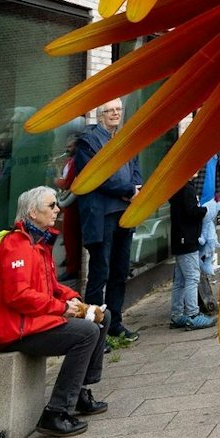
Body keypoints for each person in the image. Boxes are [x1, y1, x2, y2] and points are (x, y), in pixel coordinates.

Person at [0, 187, 109, 437]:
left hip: (31, 321)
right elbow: (18, 296)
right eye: (51, 206)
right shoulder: (17, 245)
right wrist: (61, 309)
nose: (57, 210)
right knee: (87, 332)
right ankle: (56, 412)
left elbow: (50, 285)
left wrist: (73, 300)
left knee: (102, 318)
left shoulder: (38, 242)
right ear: (32, 212)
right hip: (16, 328)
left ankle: (78, 392)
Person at [69, 102, 142, 344]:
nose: (115, 114)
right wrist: (128, 190)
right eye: (110, 111)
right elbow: (95, 176)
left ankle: (115, 323)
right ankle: (93, 330)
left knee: (120, 271)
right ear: (100, 115)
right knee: (100, 272)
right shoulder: (88, 143)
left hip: (124, 214)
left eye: (119, 110)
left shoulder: (125, 139)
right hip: (101, 215)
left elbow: (135, 168)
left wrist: (135, 188)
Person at [167, 175, 213, 330]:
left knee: (180, 280)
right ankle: (192, 315)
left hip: (180, 240)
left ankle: (177, 314)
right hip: (187, 240)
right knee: (192, 277)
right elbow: (192, 212)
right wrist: (206, 209)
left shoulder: (177, 187)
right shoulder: (187, 189)